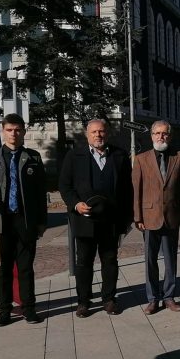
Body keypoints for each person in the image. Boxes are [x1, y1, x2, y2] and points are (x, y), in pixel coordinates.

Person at [0, 113, 47, 326]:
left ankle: (29, 308)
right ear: (3, 132)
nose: (14, 134)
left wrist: (41, 222)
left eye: (17, 130)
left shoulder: (33, 157)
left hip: (25, 221)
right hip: (0, 221)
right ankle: (4, 310)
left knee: (25, 268)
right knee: (3, 268)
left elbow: (40, 192)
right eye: (9, 130)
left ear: (24, 132)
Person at [59, 119, 133, 318]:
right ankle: (83, 302)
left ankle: (109, 299)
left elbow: (128, 189)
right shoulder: (74, 156)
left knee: (110, 261)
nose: (98, 135)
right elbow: (65, 186)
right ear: (87, 134)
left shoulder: (119, 155)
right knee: (84, 262)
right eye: (94, 132)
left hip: (111, 220)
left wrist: (127, 219)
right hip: (84, 219)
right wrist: (75, 203)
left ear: (107, 133)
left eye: (101, 131)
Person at [132, 120, 180, 314]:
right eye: (157, 133)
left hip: (172, 216)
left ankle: (169, 297)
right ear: (151, 136)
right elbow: (136, 190)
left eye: (164, 133)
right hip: (149, 217)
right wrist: (138, 217)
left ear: (170, 136)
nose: (160, 137)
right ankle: (152, 299)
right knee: (150, 260)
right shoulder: (141, 159)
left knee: (171, 260)